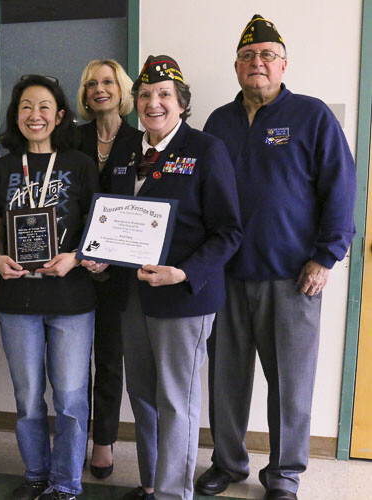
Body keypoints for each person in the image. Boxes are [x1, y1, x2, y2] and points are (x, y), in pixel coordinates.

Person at [195, 15, 356, 500]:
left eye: (266, 55)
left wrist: (326, 257)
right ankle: (227, 462)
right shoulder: (218, 122)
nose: (257, 63)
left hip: (293, 277)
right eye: (247, 56)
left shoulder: (312, 116)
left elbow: (341, 189)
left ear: (283, 64)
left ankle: (285, 474)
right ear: (237, 67)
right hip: (225, 276)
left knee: (290, 384)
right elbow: (200, 195)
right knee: (226, 379)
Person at [100, 55, 242, 500]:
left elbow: (229, 231)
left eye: (164, 95)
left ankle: (173, 493)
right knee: (142, 396)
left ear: (181, 103)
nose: (153, 103)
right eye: (144, 95)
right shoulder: (126, 150)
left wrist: (184, 272)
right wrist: (99, 254)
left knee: (176, 402)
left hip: (183, 299)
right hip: (132, 297)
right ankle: (150, 482)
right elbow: (109, 215)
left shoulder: (206, 149)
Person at [0, 74, 99, 500]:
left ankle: (66, 482)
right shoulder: (2, 168)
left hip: (72, 300)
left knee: (69, 397)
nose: (35, 115)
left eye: (45, 106)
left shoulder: (81, 164)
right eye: (26, 106)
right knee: (28, 397)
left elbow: (97, 230)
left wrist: (77, 257)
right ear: (16, 115)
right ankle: (35, 474)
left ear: (60, 115)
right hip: (17, 299)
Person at [75, 59, 148, 483]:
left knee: (109, 357)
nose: (99, 89)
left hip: (120, 273)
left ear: (122, 90)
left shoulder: (142, 143)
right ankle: (73, 436)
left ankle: (103, 440)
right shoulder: (71, 138)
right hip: (72, 268)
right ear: (84, 94)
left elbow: (143, 210)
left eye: (108, 82)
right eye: (91, 84)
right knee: (70, 361)